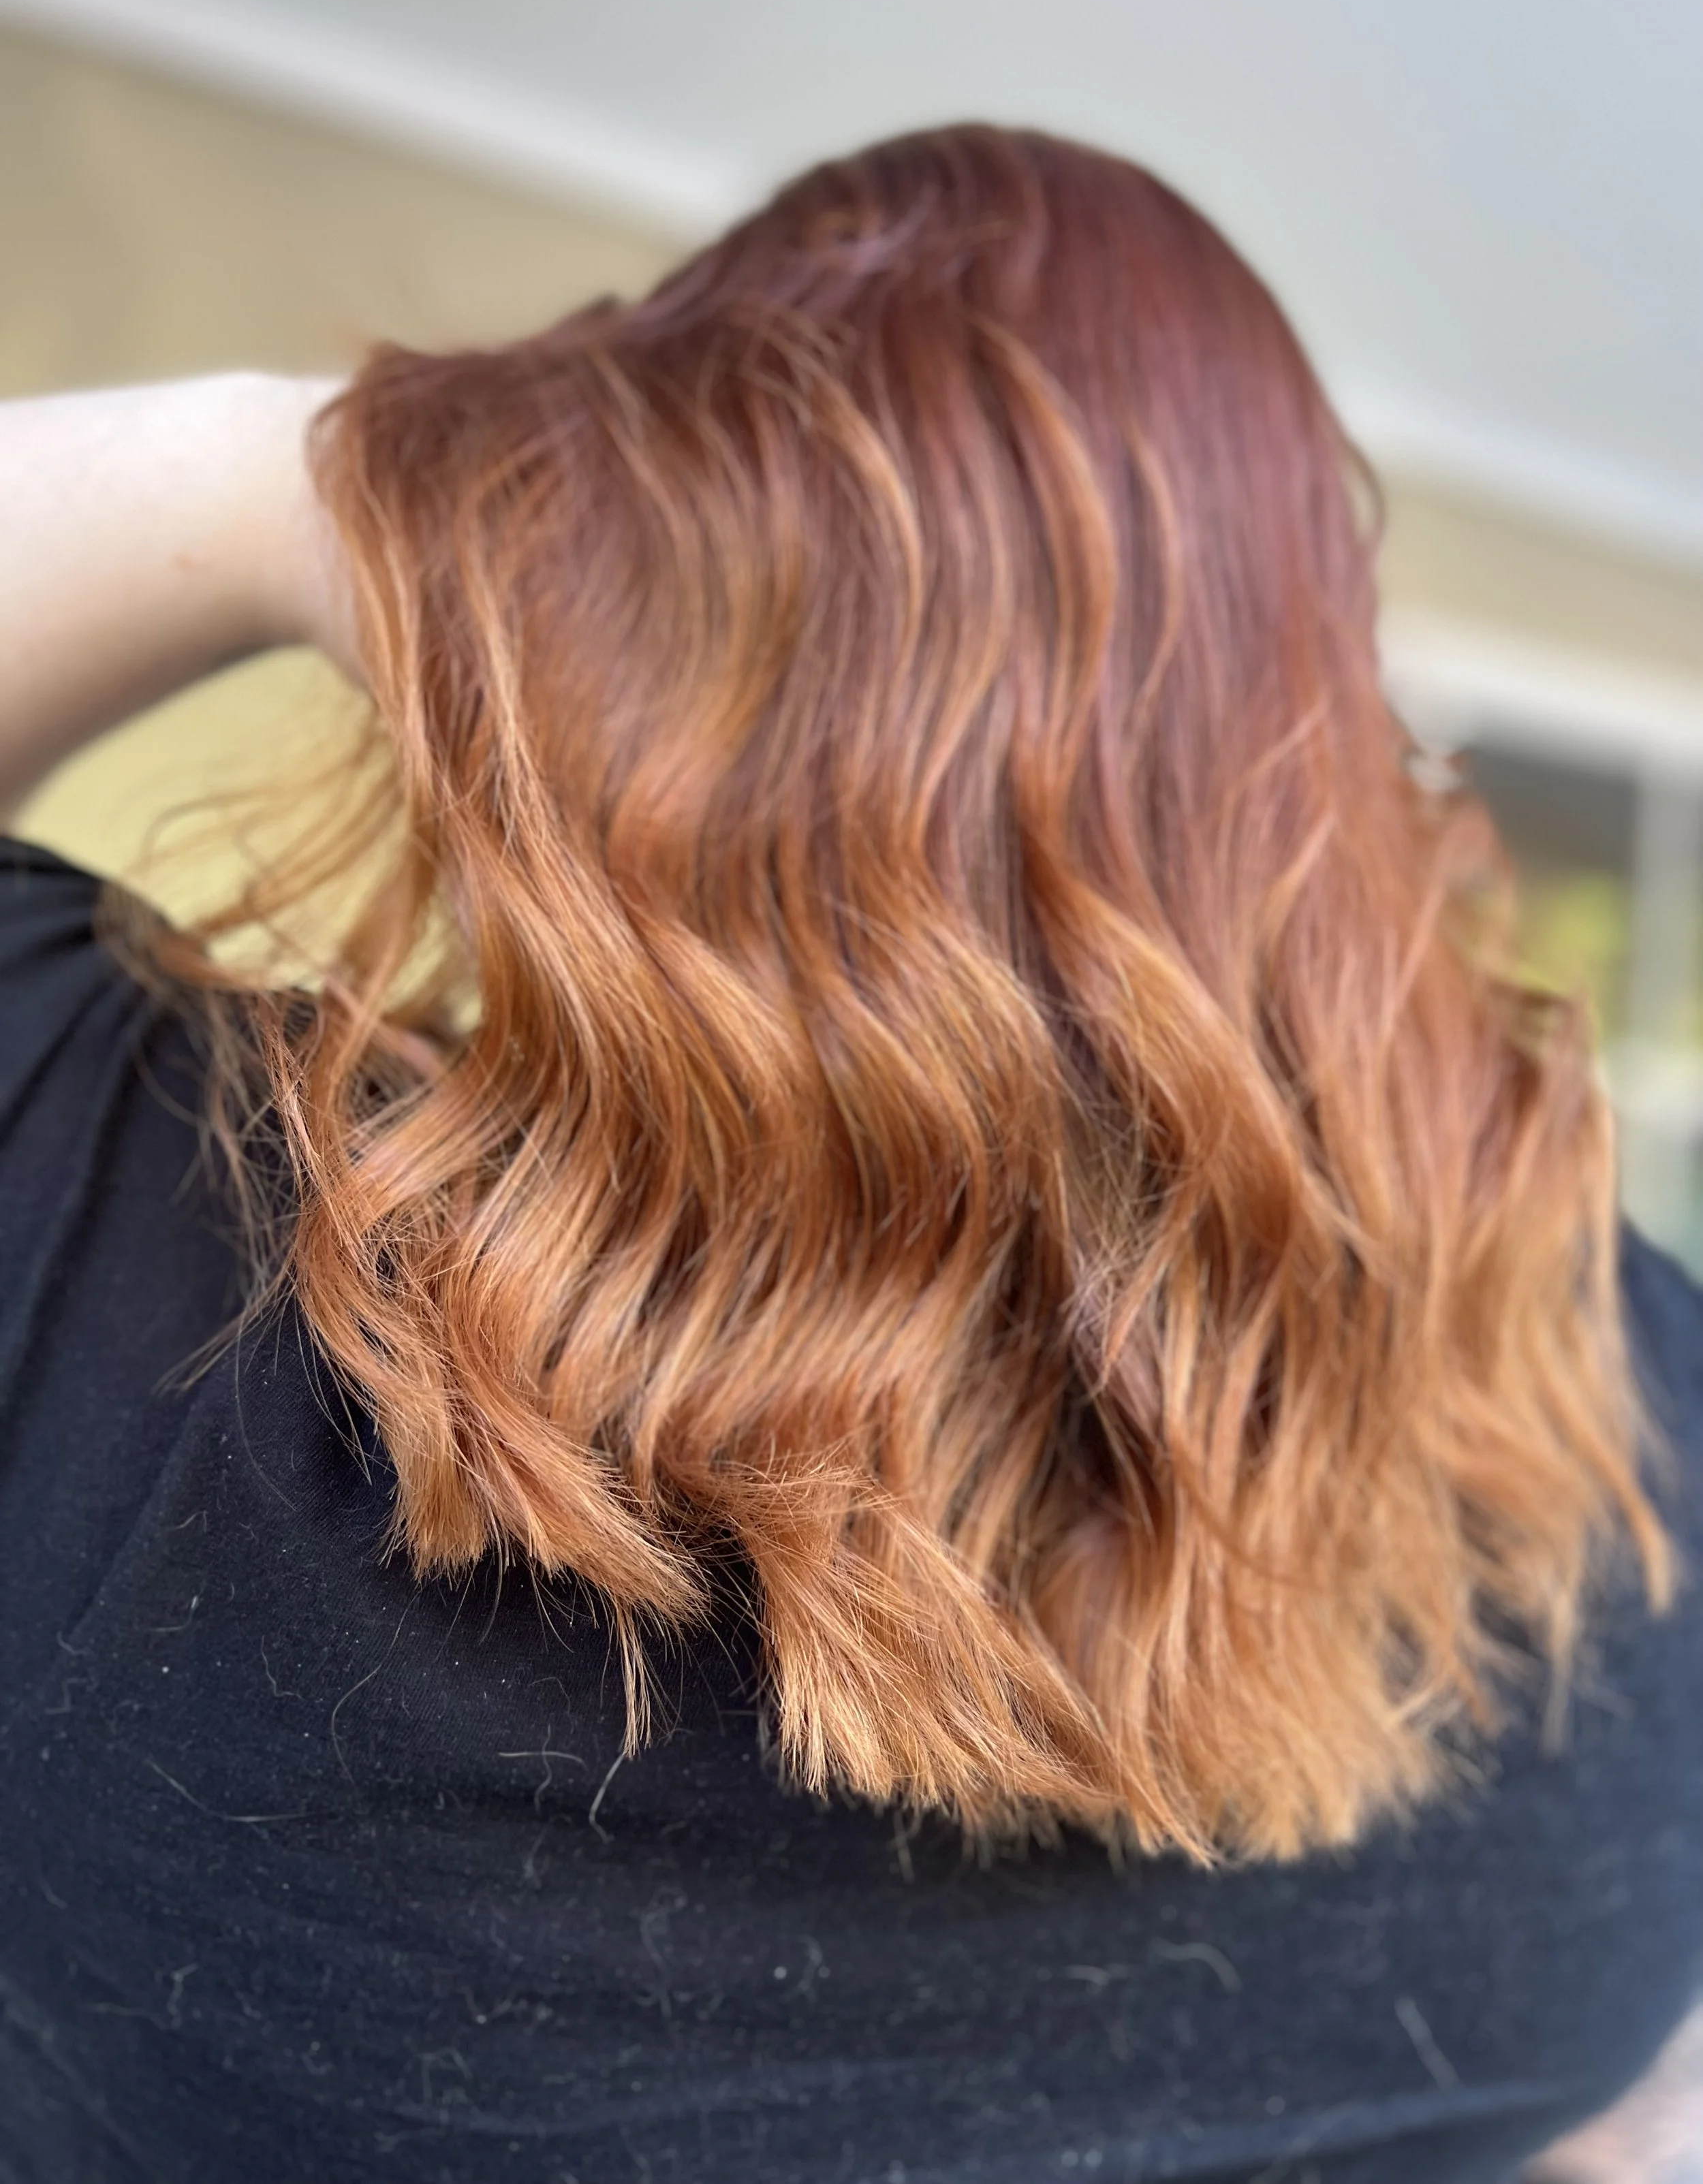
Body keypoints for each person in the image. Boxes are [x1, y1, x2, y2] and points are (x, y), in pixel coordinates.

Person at [0, 124, 1697, 2184]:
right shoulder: (1634, 1407)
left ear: (606, 632)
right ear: (1313, 745)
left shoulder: (162, 1268)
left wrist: (315, 470)